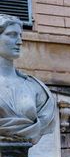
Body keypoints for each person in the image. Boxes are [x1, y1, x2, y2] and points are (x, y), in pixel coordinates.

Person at [0, 14, 56, 144]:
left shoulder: (36, 87)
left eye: (20, 36)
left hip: (21, 156)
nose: (19, 41)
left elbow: (45, 118)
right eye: (12, 35)